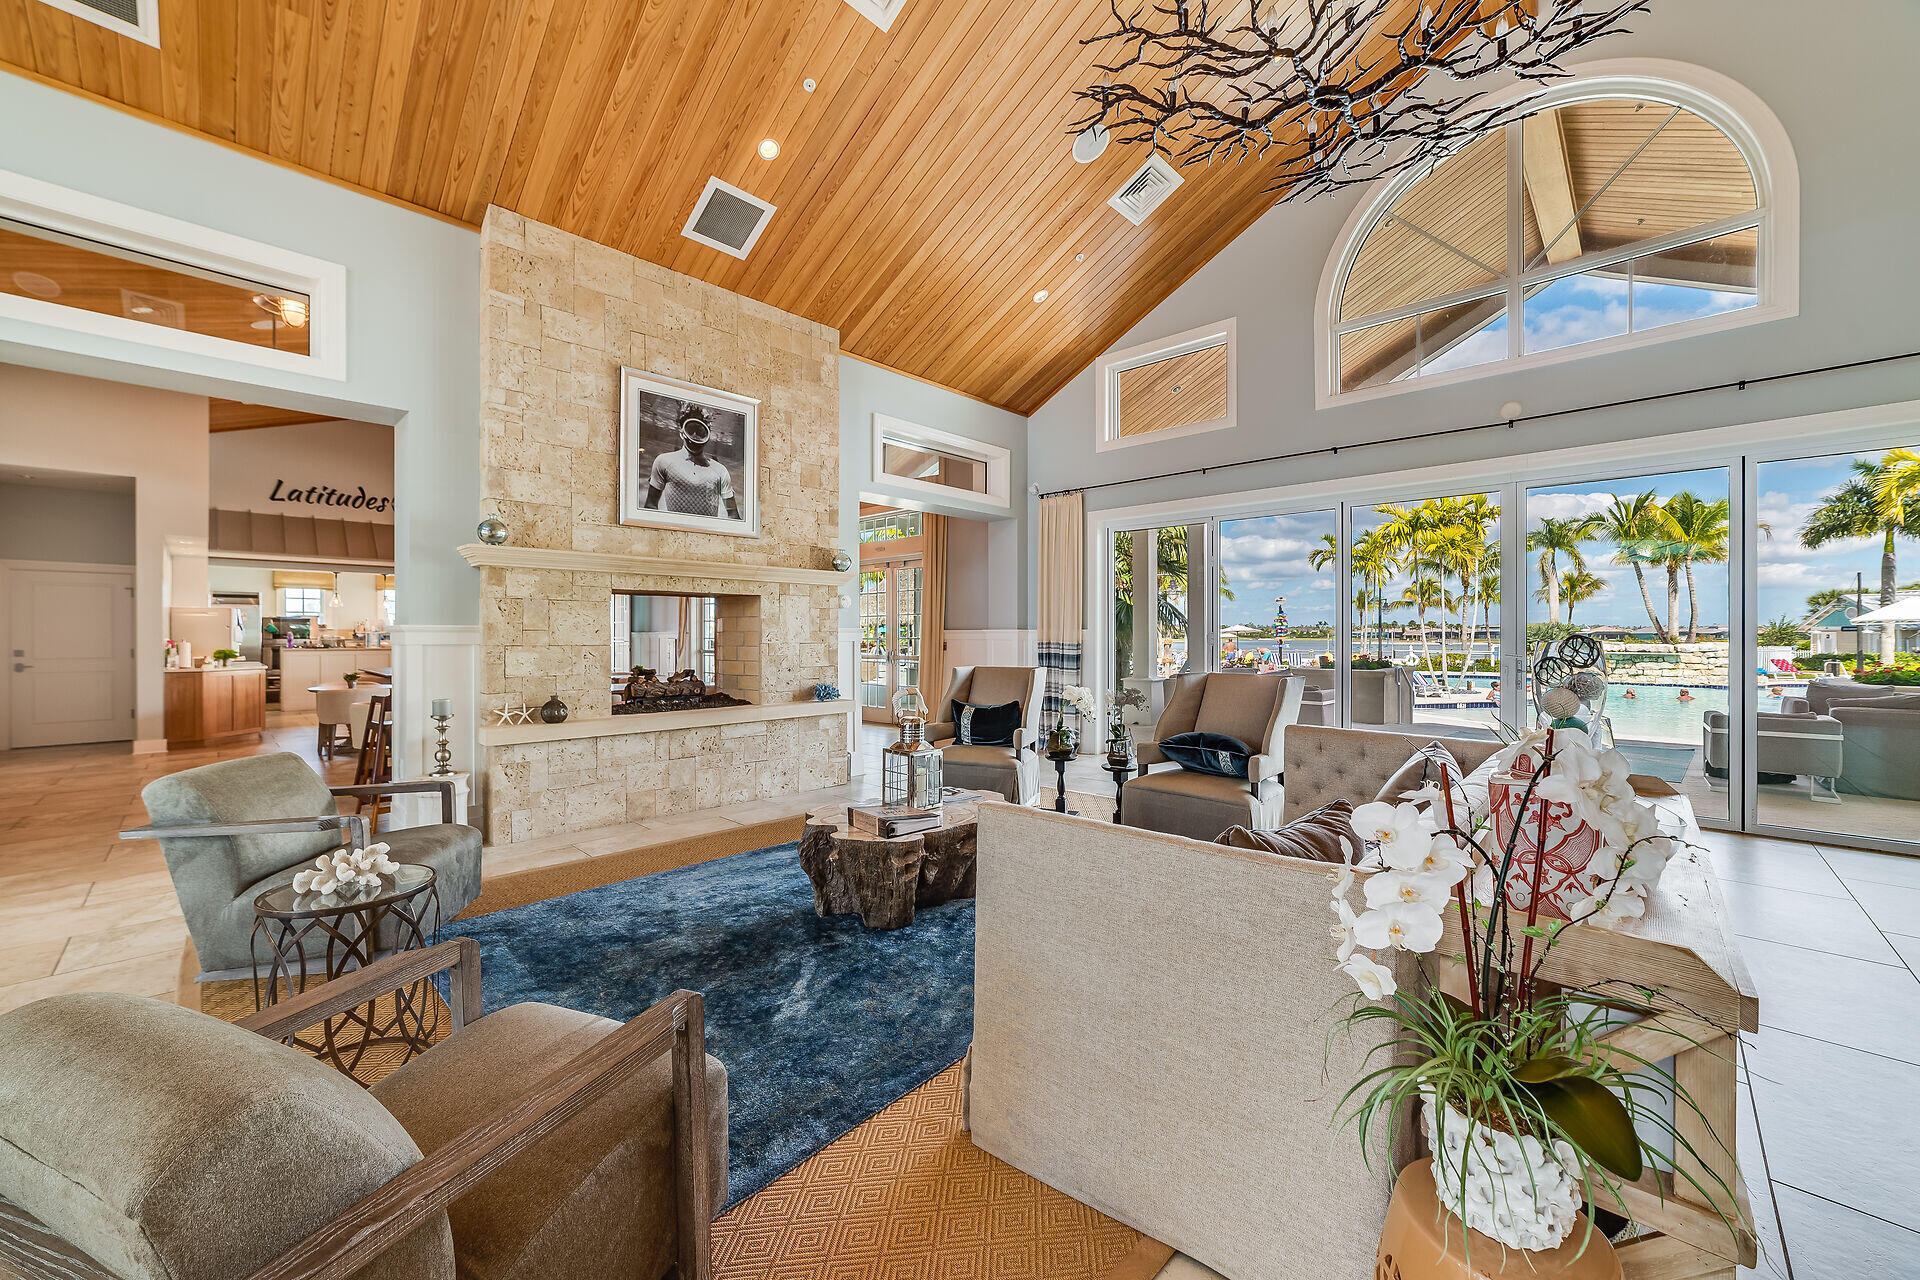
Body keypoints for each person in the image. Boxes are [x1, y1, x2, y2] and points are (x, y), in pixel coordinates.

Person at [643, 406, 739, 519]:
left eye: (700, 432)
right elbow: (650, 505)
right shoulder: (663, 461)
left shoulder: (720, 471)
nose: (694, 436)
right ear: (682, 432)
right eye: (691, 429)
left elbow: (733, 514)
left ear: (708, 435)